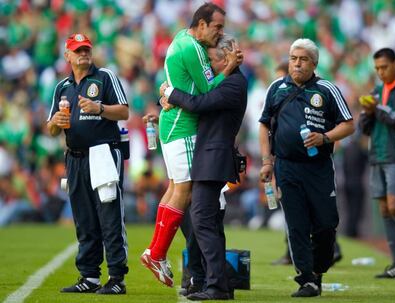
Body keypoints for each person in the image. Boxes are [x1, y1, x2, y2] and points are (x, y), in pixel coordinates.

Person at [140, 2, 240, 288]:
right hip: (183, 127)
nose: (220, 33)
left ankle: (156, 252)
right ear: (202, 24)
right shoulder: (193, 48)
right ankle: (158, 253)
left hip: (172, 126)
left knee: (175, 188)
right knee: (185, 192)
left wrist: (168, 93)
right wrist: (229, 68)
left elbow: (180, 84)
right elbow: (209, 91)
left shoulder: (179, 39)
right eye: (217, 27)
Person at [259, 38, 354, 297]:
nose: (297, 63)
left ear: (314, 63)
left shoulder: (326, 89)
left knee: (325, 224)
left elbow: (349, 124)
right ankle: (306, 279)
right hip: (286, 167)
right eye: (293, 58)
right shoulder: (276, 88)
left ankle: (319, 271)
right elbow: (264, 124)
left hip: (319, 167)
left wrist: (324, 137)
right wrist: (267, 161)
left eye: (302, 59)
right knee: (296, 225)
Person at [161, 33, 247, 301]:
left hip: (213, 158)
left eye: (210, 60)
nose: (207, 67)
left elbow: (199, 103)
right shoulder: (227, 81)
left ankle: (216, 285)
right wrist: (165, 100)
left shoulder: (232, 83)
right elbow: (198, 98)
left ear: (224, 59)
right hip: (208, 157)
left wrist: (170, 92)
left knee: (202, 221)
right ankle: (219, 283)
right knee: (206, 223)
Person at [47, 33, 129, 294]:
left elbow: (125, 111)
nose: (83, 53)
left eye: (86, 49)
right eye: (78, 50)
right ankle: (89, 277)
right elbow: (50, 129)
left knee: (109, 217)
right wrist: (55, 123)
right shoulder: (63, 87)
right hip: (75, 156)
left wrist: (100, 108)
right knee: (84, 219)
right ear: (67, 56)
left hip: (103, 153)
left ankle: (117, 278)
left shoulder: (105, 76)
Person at [359, 47, 395, 280]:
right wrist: (368, 114)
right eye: (377, 69)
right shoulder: (377, 90)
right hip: (377, 155)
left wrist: (378, 109)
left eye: (384, 67)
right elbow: (364, 127)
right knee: (385, 210)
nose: (380, 72)